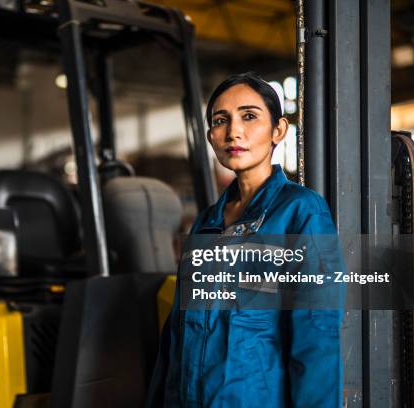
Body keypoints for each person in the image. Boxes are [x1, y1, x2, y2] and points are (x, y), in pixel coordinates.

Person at [146, 72, 344, 407]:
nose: (233, 131)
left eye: (249, 116)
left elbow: (316, 336)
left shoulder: (300, 212)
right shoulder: (206, 223)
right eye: (221, 120)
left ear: (278, 130)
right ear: (210, 136)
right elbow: (176, 334)